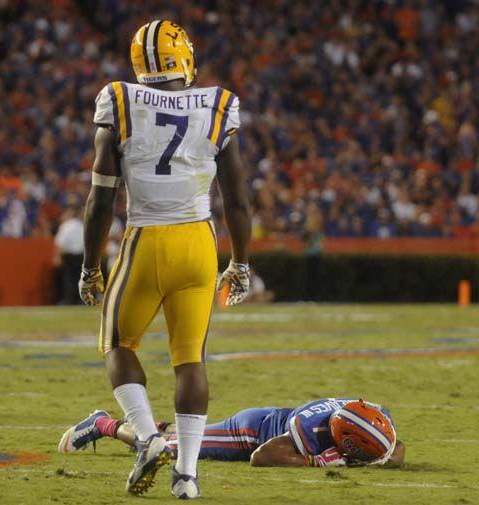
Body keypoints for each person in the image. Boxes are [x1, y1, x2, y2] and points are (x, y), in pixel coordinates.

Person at [78, 21, 252, 499]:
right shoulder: (218, 103)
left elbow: (100, 199)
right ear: (184, 58)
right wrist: (239, 262)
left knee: (117, 343)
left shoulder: (118, 98)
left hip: (147, 239)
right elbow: (236, 198)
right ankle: (187, 477)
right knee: (190, 358)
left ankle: (150, 439)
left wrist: (90, 265)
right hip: (199, 244)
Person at [59, 398, 405, 468]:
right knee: (164, 450)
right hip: (249, 433)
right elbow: (262, 457)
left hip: (270, 422)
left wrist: (377, 459)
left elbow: (397, 449)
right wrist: (318, 462)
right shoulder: (309, 429)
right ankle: (103, 424)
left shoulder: (371, 415)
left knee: (173, 441)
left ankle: (162, 426)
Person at [53, 207, 84, 304]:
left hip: (69, 256)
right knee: (80, 279)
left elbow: (60, 243)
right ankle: (80, 300)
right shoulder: (81, 225)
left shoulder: (66, 226)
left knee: (69, 279)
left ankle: (69, 300)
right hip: (81, 256)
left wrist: (57, 257)